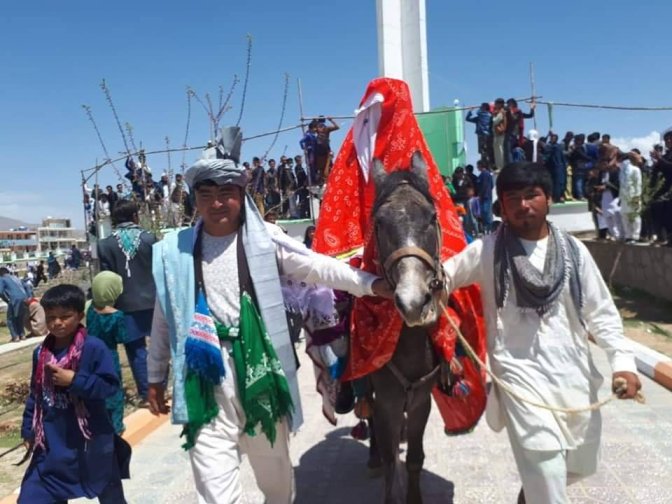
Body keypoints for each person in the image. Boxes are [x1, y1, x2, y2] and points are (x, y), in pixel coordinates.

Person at [147, 126, 391, 504]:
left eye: (225, 193)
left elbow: (317, 267)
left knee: (275, 481)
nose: (216, 203)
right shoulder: (173, 251)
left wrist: (371, 284)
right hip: (203, 374)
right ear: (195, 199)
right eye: (206, 194)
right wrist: (155, 375)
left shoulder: (267, 239)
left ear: (241, 194)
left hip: (259, 369)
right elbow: (163, 317)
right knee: (214, 489)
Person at [441, 162, 641, 504]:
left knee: (581, 464)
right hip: (519, 376)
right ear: (501, 207)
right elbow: (441, 279)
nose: (523, 205)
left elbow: (602, 313)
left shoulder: (574, 251)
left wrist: (623, 363)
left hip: (573, 374)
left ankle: (533, 495)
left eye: (531, 195)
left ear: (548, 198)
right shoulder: (486, 250)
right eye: (512, 198)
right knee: (545, 466)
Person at [18, 284, 128, 504]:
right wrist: (28, 428)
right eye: (51, 317)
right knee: (33, 496)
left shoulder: (93, 348)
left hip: (90, 441)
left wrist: (75, 381)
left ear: (79, 315)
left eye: (65, 316)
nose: (57, 323)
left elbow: (109, 386)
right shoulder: (41, 353)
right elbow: (36, 394)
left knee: (108, 491)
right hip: (51, 441)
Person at [98, 200, 157, 404]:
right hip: (154, 301)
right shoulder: (150, 239)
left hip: (124, 304)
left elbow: (106, 279)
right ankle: (161, 386)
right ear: (135, 216)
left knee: (136, 350)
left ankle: (147, 394)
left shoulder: (105, 245)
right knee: (160, 346)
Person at [86, 271, 128, 434]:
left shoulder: (90, 309)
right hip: (110, 356)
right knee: (114, 392)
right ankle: (116, 427)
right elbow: (121, 337)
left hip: (90, 355)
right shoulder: (117, 316)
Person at [619, 150, 643, 243]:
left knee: (635, 216)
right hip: (624, 197)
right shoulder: (622, 170)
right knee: (625, 216)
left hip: (633, 196)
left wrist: (637, 196)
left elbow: (638, 184)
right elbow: (622, 184)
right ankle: (628, 235)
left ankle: (635, 236)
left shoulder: (636, 169)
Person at [0, 267, 29, 342]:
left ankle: (15, 336)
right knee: (19, 317)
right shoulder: (15, 278)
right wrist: (28, 296)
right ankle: (22, 335)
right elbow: (26, 286)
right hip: (24, 298)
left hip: (14, 299)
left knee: (10, 319)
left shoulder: (2, 279)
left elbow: (0, 291)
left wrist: (6, 300)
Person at [478, 160, 494, 233]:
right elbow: (492, 185)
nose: (477, 167)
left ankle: (488, 229)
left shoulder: (484, 174)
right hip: (488, 196)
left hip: (485, 197)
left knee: (485, 213)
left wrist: (480, 194)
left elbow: (484, 186)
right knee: (486, 213)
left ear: (480, 165)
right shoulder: (487, 174)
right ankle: (488, 229)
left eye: (478, 165)